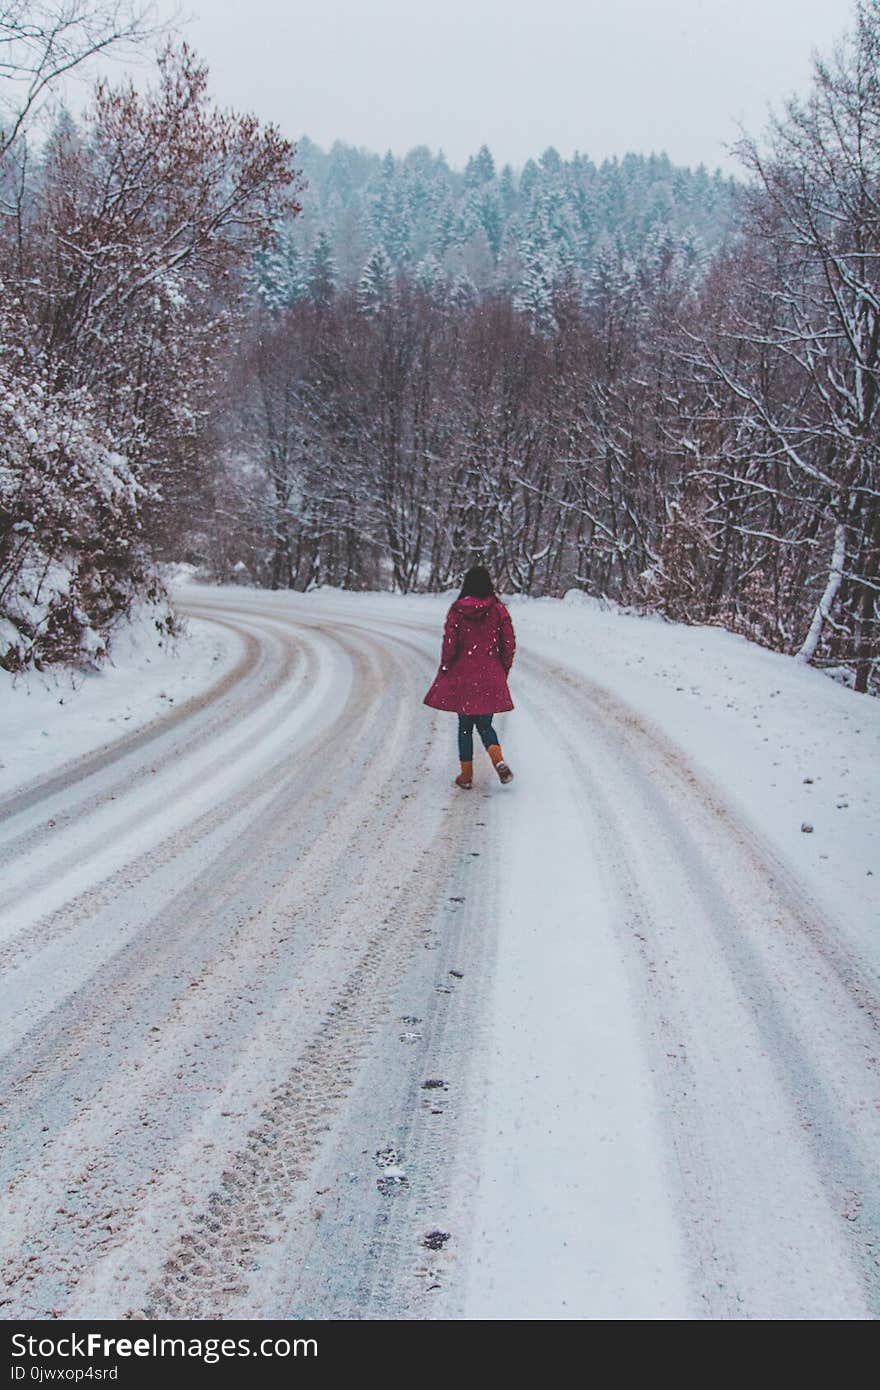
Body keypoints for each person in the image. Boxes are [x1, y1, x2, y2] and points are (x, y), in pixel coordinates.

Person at [423, 566, 515, 788]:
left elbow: (450, 644)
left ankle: (466, 776)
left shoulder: (457, 610)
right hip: (490, 673)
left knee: (465, 726)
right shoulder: (498, 610)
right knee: (485, 724)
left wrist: (446, 667)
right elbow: (509, 644)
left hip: (464, 676)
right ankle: (498, 759)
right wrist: (502, 669)